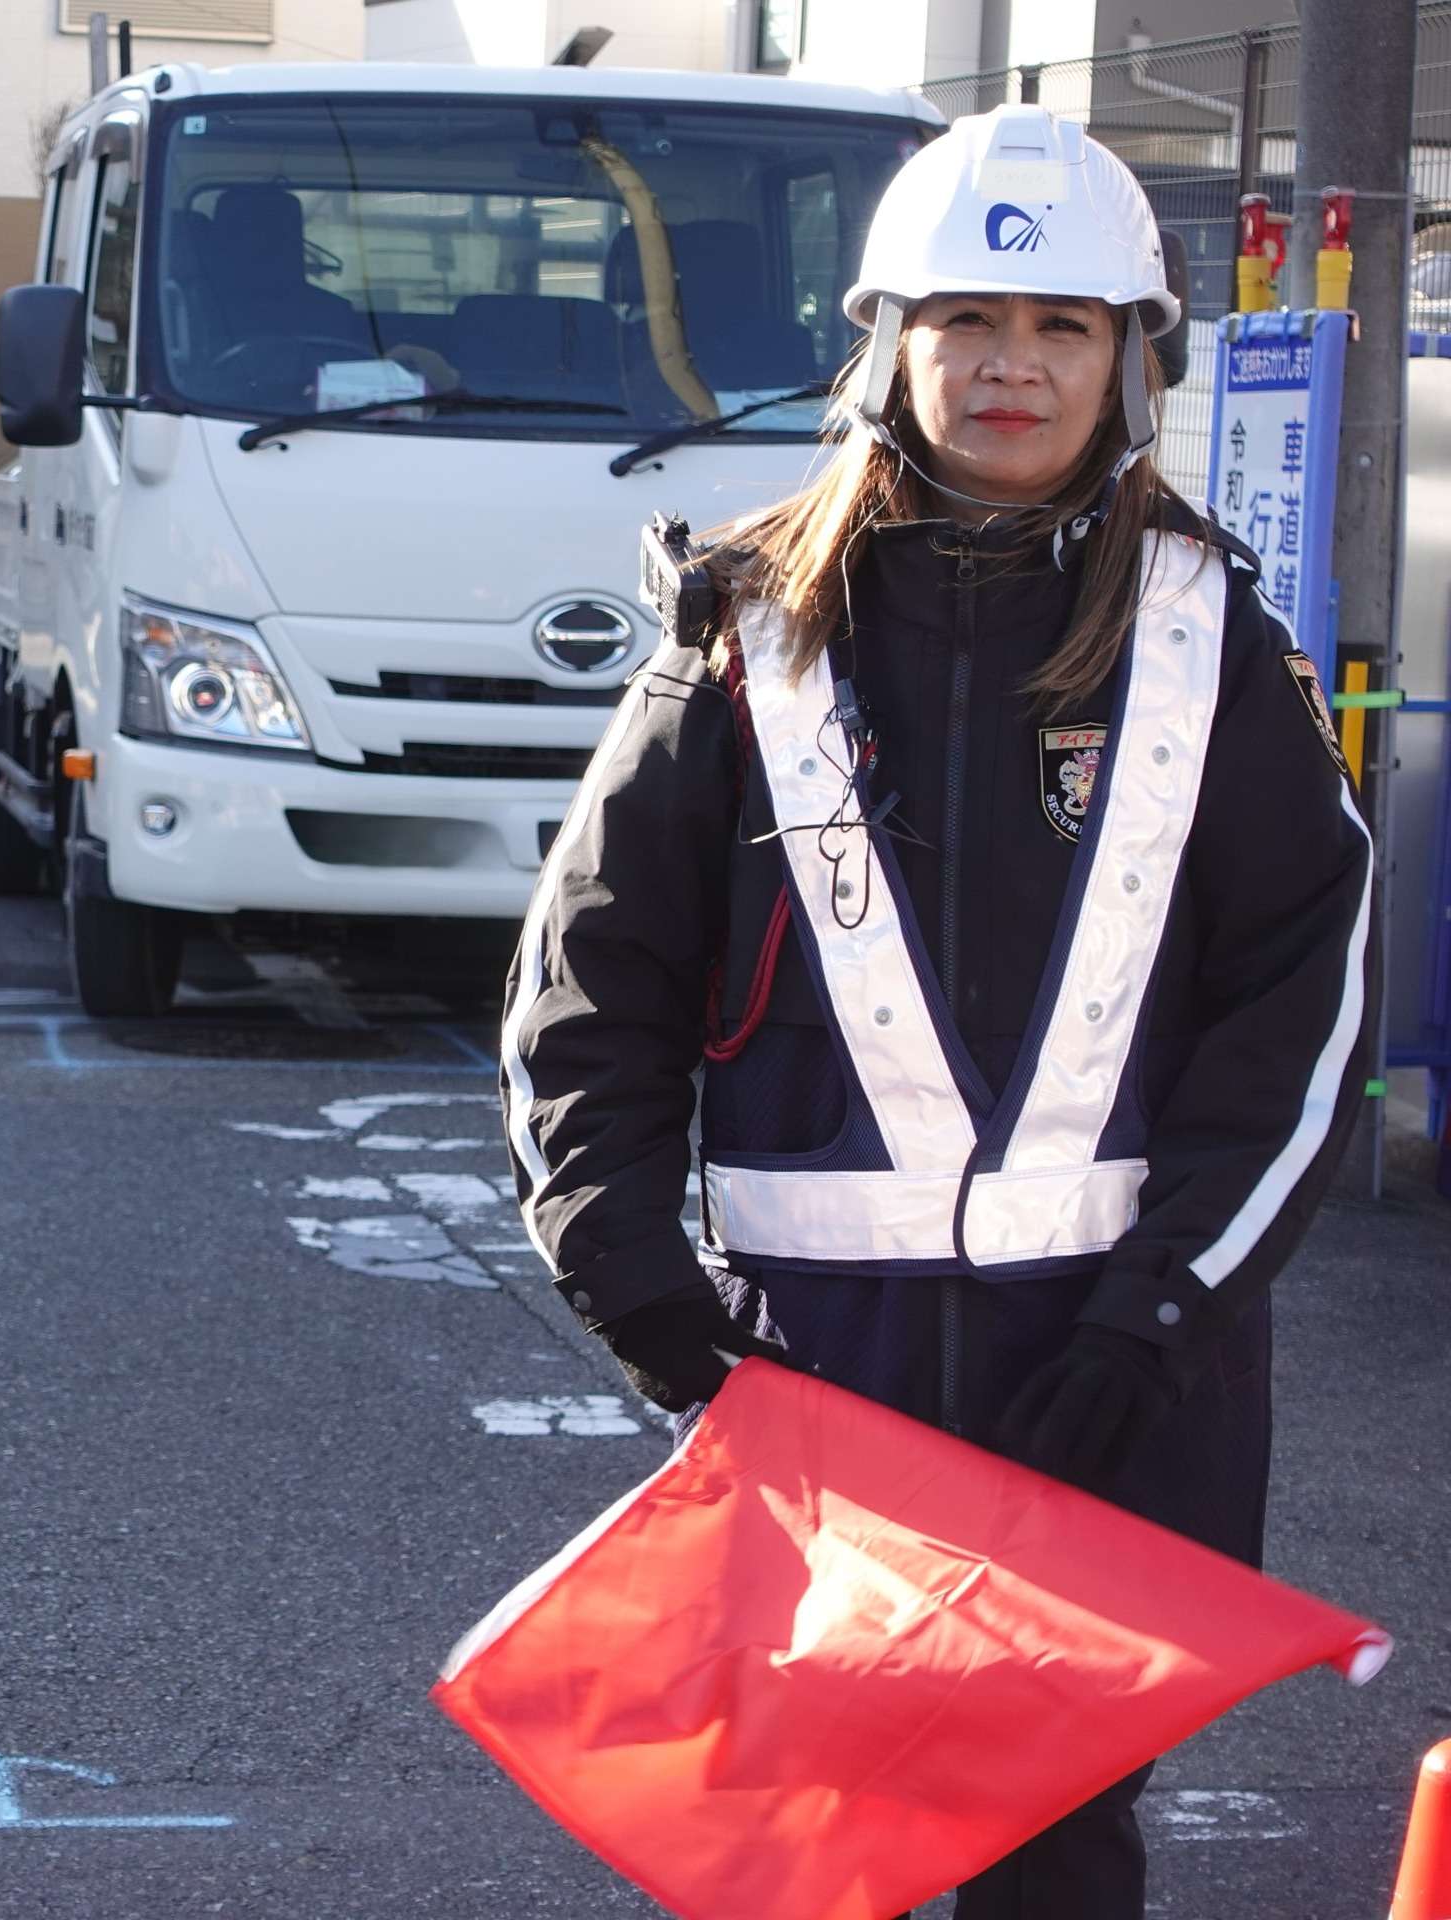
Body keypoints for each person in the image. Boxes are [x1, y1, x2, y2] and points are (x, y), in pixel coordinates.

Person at [499, 104, 1376, 1919]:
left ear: (1135, 360)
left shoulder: (1220, 643)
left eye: (1064, 325)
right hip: (822, 1369)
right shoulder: (743, 635)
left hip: (1119, 1367)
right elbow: (593, 991)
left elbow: (1294, 1020)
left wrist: (1162, 1316)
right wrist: (657, 1312)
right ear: (889, 345)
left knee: (1061, 1842)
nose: (1010, 366)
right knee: (819, 1848)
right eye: (968, 320)